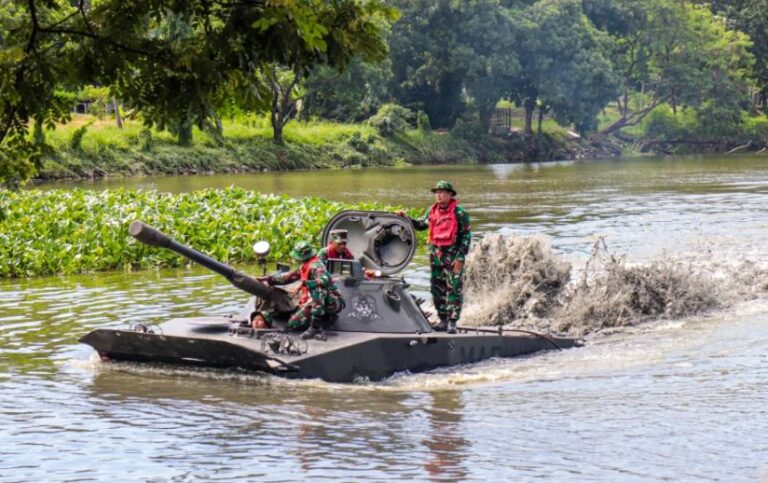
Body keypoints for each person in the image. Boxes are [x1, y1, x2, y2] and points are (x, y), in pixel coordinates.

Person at [398, 180, 471, 334]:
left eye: (442, 192)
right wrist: (406, 218)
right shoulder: (431, 211)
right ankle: (443, 319)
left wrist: (460, 257)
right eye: (437, 192)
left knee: (454, 288)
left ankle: (452, 322)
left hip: (453, 256)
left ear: (450, 194)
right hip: (436, 256)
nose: (439, 195)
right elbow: (421, 225)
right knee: (436, 288)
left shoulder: (460, 213)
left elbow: (466, 236)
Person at [260, 240, 345, 340]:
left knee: (317, 288)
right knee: (293, 323)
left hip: (332, 302)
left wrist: (308, 283)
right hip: (314, 302)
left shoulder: (316, 266)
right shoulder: (304, 266)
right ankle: (321, 318)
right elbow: (287, 277)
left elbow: (325, 280)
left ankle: (315, 327)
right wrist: (268, 279)